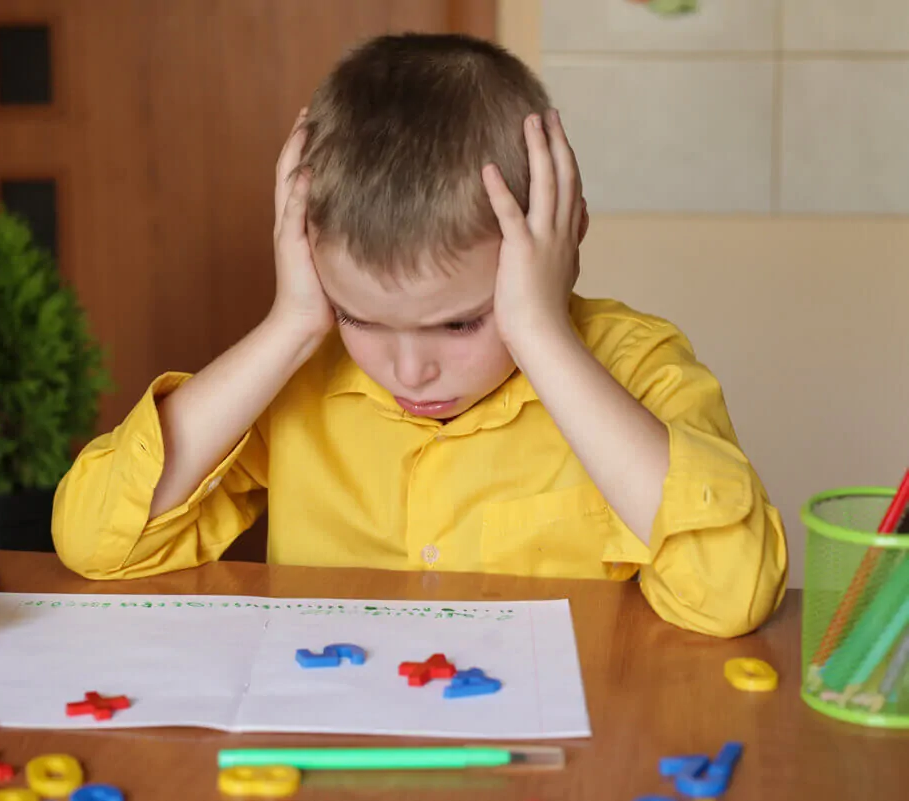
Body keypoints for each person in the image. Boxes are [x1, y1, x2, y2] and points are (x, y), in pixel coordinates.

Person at [52, 33, 787, 638]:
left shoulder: (638, 365)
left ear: (562, 240)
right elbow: (97, 543)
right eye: (359, 317)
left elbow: (731, 593)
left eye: (461, 322)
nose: (409, 370)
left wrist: (541, 335)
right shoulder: (298, 375)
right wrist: (292, 324)